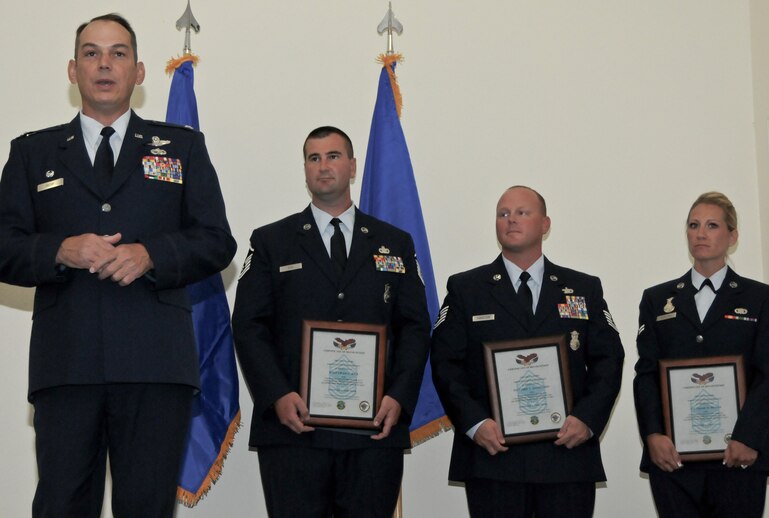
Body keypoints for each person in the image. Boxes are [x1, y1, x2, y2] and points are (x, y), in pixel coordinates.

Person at [0, 13, 236, 517]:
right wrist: (59, 250)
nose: (104, 64)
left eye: (118, 53)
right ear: (72, 69)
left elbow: (217, 241)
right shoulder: (30, 151)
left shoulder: (183, 147)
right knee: (62, 506)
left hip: (155, 364)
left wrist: (152, 254)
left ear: (140, 71)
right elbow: (3, 245)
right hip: (67, 365)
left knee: (147, 508)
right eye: (91, 53)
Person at [232, 126, 430, 517]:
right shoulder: (272, 241)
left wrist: (399, 397)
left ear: (352, 166)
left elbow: (415, 327)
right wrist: (276, 395)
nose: (324, 167)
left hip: (374, 430)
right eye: (313, 158)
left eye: (334, 156)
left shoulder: (395, 243)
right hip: (294, 430)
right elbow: (249, 325)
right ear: (305, 170)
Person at [430, 185, 624, 518]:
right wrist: (475, 423)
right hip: (493, 457)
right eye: (503, 214)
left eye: (522, 213)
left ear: (545, 224)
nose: (511, 220)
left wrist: (587, 420)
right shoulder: (466, 289)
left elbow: (609, 360)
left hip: (566, 456)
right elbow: (446, 364)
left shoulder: (582, 288)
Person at [633, 192, 769, 518]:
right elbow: (646, 374)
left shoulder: (761, 298)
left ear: (732, 236)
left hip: (739, 455)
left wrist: (747, 436)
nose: (700, 233)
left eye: (712, 225)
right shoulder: (657, 300)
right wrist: (653, 434)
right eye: (693, 225)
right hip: (675, 459)